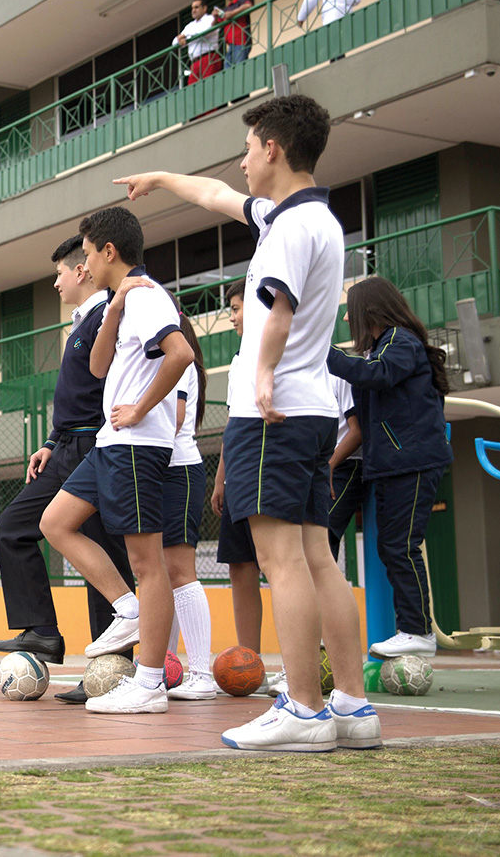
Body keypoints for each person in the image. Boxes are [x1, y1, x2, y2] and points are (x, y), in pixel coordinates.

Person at [113, 93, 380, 751]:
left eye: (247, 147)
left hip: (275, 410)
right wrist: (162, 179)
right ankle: (351, 704)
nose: (240, 161)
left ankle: (306, 712)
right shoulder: (310, 217)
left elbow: (278, 313)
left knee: (279, 560)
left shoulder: (289, 230)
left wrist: (259, 376)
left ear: (273, 149)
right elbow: (212, 195)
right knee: (319, 559)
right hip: (312, 407)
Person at [40, 206, 194, 716]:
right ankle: (125, 607)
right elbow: (99, 364)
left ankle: (149, 682)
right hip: (110, 443)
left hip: (136, 446)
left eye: (86, 254)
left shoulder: (149, 297)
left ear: (109, 252)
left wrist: (142, 407)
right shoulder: (123, 302)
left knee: (148, 565)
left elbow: (181, 355)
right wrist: (114, 307)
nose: (82, 264)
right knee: (55, 522)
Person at [0, 235, 134, 705]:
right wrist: (51, 441)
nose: (55, 282)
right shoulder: (82, 322)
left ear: (83, 270)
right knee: (14, 526)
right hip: (68, 445)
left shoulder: (110, 314)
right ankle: (42, 631)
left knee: (101, 551)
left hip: (95, 443)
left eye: (60, 273)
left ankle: (110, 672)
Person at [327, 277, 453, 659]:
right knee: (392, 546)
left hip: (411, 461)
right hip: (393, 464)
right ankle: (412, 628)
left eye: (351, 309)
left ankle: (416, 629)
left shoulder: (399, 341)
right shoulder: (383, 347)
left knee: (401, 546)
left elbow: (377, 374)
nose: (348, 317)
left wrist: (323, 351)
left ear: (370, 310)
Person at [210, 280, 270, 693]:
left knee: (285, 566)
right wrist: (221, 478)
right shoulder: (237, 361)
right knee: (240, 568)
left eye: (236, 307)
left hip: (270, 469)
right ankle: (251, 662)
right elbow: (233, 424)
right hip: (238, 474)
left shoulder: (279, 349)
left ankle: (305, 661)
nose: (231, 315)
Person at [162, 314, 217, 700]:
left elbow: (175, 418)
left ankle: (201, 673)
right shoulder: (170, 360)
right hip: (164, 471)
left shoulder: (178, 361)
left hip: (178, 470)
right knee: (162, 576)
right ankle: (164, 666)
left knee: (180, 571)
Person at [327, 372, 363, 561]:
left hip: (345, 464)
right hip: (313, 468)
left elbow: (357, 432)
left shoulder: (338, 374)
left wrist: (329, 465)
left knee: (321, 535)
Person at [174, 0, 222, 85]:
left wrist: (186, 36)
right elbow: (174, 43)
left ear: (204, 8)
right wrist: (180, 39)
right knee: (194, 90)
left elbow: (204, 32)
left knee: (209, 86)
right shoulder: (190, 26)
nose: (193, 10)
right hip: (194, 62)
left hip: (209, 57)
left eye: (196, 7)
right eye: (192, 8)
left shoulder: (210, 18)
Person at [213, 0, 254, 68]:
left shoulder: (241, 0)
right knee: (228, 70)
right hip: (231, 44)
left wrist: (232, 13)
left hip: (241, 41)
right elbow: (216, 25)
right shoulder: (227, 8)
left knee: (239, 68)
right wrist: (215, 17)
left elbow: (248, 5)